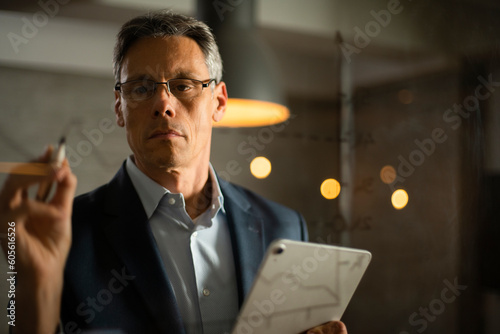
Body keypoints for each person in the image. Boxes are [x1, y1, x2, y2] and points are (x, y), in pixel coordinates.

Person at [0, 11, 348, 334]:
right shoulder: (59, 232)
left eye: (183, 85)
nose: (163, 104)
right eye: (141, 88)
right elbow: (12, 316)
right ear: (120, 108)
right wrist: (30, 284)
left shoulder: (284, 228)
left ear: (219, 103)